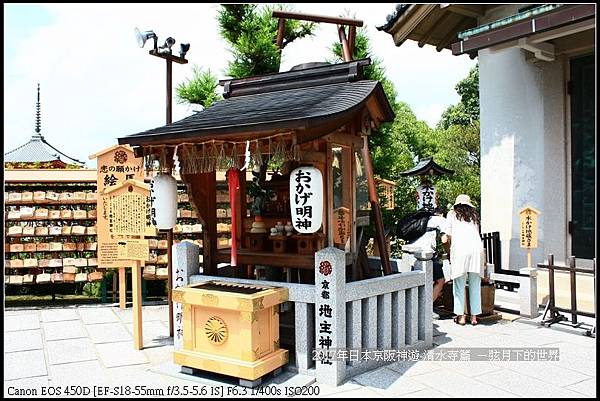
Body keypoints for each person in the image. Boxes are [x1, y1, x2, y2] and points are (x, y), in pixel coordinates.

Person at [446, 194, 484, 326]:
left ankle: (461, 317)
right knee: (475, 283)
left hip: (461, 250)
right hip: (476, 250)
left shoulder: (452, 214)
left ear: (457, 204)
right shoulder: (474, 216)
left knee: (459, 283)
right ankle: (474, 317)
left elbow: (448, 236)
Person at [410, 207, 449, 318]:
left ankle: (418, 309)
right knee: (440, 280)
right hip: (427, 254)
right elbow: (445, 240)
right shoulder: (439, 219)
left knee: (421, 282)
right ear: (441, 214)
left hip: (414, 253)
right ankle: (426, 310)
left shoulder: (422, 219)